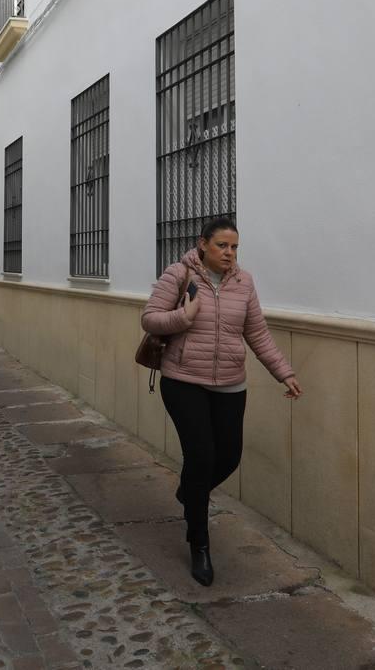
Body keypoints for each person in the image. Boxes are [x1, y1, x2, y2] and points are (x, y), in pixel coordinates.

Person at [140, 217, 303, 586]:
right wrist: (186, 314)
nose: (229, 253)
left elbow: (257, 333)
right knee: (201, 457)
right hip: (183, 382)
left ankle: (189, 492)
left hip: (230, 382)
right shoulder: (178, 274)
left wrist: (284, 372)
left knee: (228, 456)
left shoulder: (244, 283)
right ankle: (199, 543)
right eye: (222, 246)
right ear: (203, 245)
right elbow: (149, 319)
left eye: (234, 247)